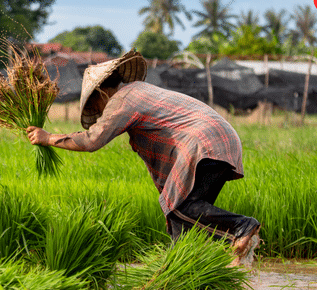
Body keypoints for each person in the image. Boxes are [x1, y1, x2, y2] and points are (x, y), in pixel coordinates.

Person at [26, 50, 261, 267]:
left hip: (204, 142)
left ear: (99, 92)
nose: (99, 111)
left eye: (95, 105)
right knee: (184, 225)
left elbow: (91, 140)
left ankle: (241, 227)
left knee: (181, 207)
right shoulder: (140, 93)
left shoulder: (122, 101)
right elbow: (164, 167)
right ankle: (188, 276)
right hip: (220, 139)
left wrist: (48, 138)